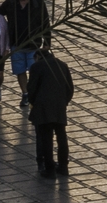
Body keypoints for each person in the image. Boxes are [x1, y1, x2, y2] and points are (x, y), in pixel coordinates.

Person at [29, 47, 74, 177]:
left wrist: (34, 102)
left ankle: (49, 169)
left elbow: (31, 89)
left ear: (37, 57)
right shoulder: (62, 65)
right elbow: (70, 88)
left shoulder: (36, 67)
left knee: (46, 138)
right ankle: (63, 167)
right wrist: (64, 102)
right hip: (59, 106)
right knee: (61, 137)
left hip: (43, 107)